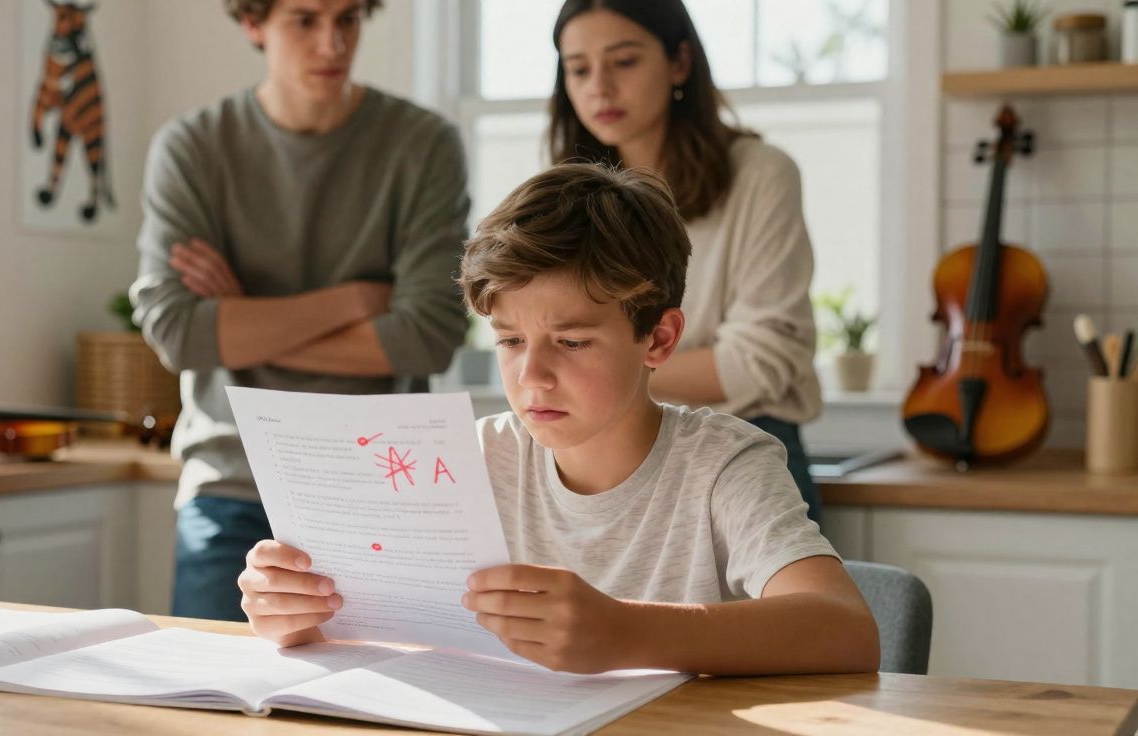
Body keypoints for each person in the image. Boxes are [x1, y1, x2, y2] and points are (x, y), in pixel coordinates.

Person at [237, 163, 879, 676]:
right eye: (511, 341)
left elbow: (847, 629)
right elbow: (365, 630)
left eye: (571, 342)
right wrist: (292, 612)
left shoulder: (724, 466)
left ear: (658, 339)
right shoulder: (466, 461)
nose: (532, 376)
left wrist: (628, 633)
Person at [131, 0, 469, 621]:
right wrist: (357, 299)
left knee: (379, 711)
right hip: (232, 485)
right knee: (213, 707)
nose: (333, 44)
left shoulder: (423, 145)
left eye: (348, 20)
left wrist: (237, 319)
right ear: (254, 23)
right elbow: (178, 332)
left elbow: (427, 336)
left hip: (379, 486)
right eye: (305, 20)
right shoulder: (194, 147)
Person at [549, 0, 824, 521]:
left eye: (624, 62)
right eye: (579, 69)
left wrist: (593, 362)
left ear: (679, 62)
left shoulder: (762, 176)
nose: (599, 87)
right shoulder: (565, 196)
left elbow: (760, 364)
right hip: (611, 453)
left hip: (749, 448)